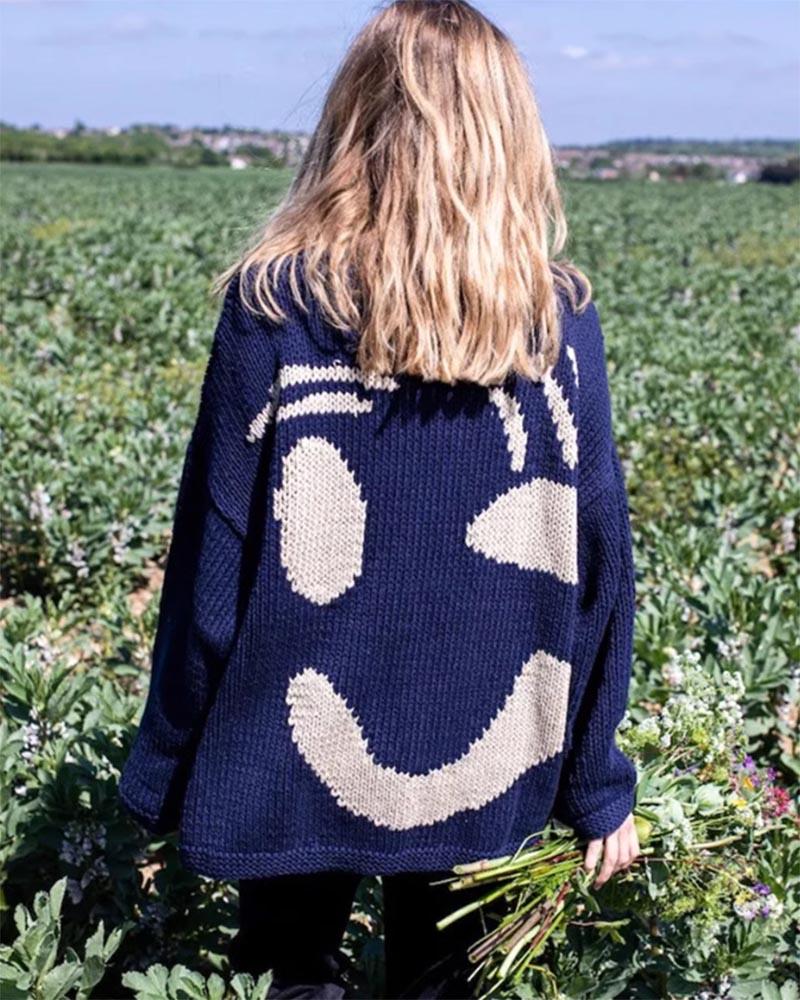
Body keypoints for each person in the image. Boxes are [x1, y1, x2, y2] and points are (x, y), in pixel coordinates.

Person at [118, 1, 641, 995]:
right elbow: (597, 573)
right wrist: (595, 785)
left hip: (285, 749)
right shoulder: (554, 328)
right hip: (497, 764)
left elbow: (213, 559)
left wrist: (164, 764)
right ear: (510, 139)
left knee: (287, 972)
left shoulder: (274, 308)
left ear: (349, 126)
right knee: (446, 978)